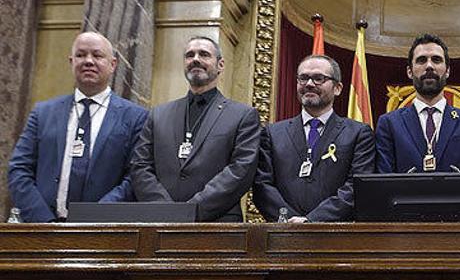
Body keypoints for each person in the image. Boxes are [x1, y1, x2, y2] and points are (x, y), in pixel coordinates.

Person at [8, 32, 148, 222]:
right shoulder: (43, 113)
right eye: (81, 55)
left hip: (104, 231)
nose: (88, 61)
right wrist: (43, 221)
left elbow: (135, 177)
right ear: (71, 61)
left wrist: (94, 218)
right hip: (43, 228)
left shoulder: (135, 117)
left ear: (113, 64)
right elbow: (19, 169)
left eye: (97, 55)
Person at [130, 36, 260, 221]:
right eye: (189, 55)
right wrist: (165, 210)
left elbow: (240, 170)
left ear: (220, 65)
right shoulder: (158, 114)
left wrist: (191, 211)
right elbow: (140, 166)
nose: (196, 59)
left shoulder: (243, 115)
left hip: (218, 225)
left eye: (204, 54)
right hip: (159, 224)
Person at [253, 55, 375, 222]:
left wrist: (312, 220)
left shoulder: (358, 133)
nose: (309, 84)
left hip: (335, 237)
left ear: (338, 88)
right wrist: (289, 220)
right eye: (303, 78)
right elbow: (262, 186)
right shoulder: (272, 133)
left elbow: (357, 187)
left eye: (319, 79)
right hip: (283, 234)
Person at [376, 33, 460, 173]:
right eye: (421, 60)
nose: (429, 66)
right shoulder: (389, 124)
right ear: (409, 72)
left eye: (436, 60)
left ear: (447, 71)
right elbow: (383, 181)